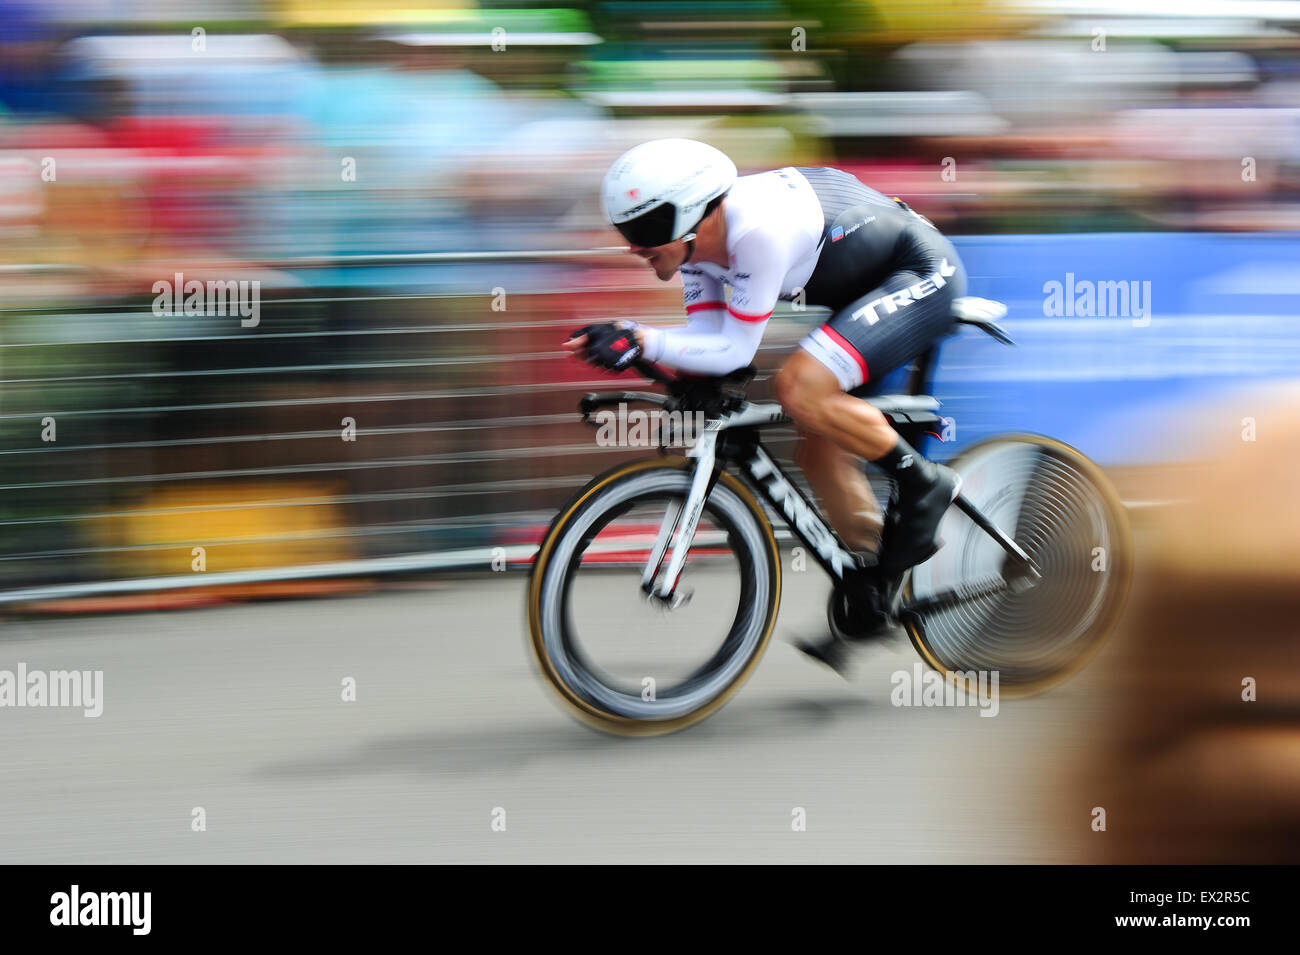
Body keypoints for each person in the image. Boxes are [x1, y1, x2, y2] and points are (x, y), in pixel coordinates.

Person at [564, 139, 966, 669]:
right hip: (864, 291)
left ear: (690, 213)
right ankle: (880, 580)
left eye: (643, 232)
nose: (635, 248)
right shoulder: (697, 250)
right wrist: (650, 356)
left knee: (799, 388)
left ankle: (924, 483)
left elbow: (734, 348)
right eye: (626, 233)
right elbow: (708, 348)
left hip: (921, 275)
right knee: (817, 452)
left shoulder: (755, 231)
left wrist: (637, 338)